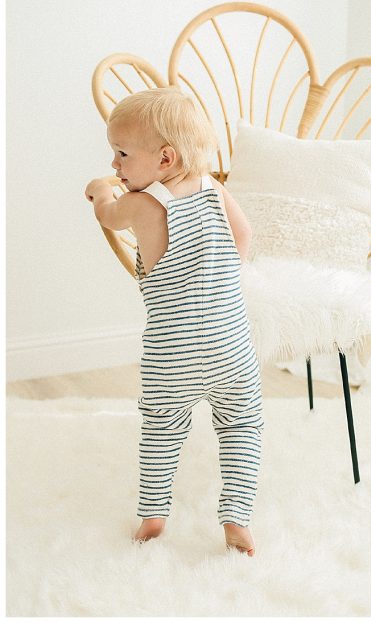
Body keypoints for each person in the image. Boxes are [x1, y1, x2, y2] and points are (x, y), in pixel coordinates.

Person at [84, 87, 262, 556]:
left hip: (172, 353)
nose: (115, 166)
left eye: (122, 155)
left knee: (161, 428)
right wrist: (221, 277)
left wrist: (102, 191)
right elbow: (243, 237)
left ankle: (154, 514)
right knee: (243, 425)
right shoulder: (214, 188)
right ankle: (237, 517)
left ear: (164, 158)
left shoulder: (142, 205)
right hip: (232, 345)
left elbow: (108, 216)